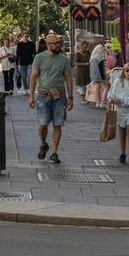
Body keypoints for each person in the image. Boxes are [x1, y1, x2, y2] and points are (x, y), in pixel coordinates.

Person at [27, 31, 73, 164]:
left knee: (58, 124)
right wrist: (31, 96)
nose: (58, 45)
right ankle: (43, 144)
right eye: (55, 43)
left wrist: (70, 97)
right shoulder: (39, 58)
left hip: (59, 96)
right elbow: (34, 77)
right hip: (43, 96)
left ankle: (54, 153)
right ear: (48, 44)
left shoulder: (64, 59)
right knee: (43, 124)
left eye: (59, 43)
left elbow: (68, 78)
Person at [88, 39, 108, 107]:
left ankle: (97, 102)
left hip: (94, 76)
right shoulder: (100, 58)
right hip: (99, 76)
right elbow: (101, 69)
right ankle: (103, 102)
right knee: (106, 87)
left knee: (97, 88)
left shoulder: (92, 58)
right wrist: (104, 78)